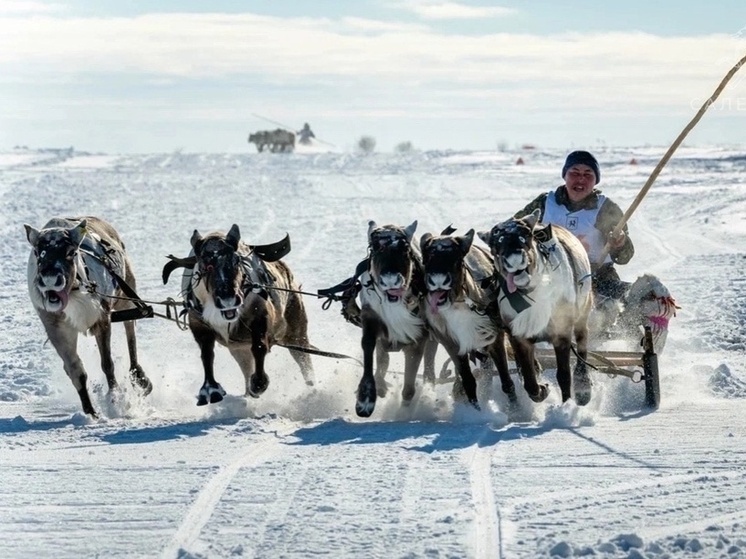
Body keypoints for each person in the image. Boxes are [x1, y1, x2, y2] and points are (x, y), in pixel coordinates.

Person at [513, 150, 634, 303]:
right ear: (565, 175)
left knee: (641, 297)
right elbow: (516, 229)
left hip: (597, 278)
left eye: (588, 174)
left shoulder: (605, 209)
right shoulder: (545, 204)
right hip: (549, 278)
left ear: (595, 180)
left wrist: (620, 243)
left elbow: (625, 257)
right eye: (574, 173)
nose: (580, 180)